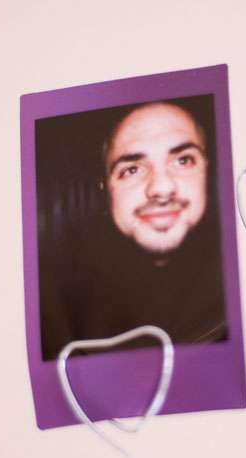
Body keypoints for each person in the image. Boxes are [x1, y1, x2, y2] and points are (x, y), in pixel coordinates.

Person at [40, 100, 227, 359]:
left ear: (207, 171)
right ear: (105, 188)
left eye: (183, 160)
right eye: (132, 169)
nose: (161, 188)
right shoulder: (60, 314)